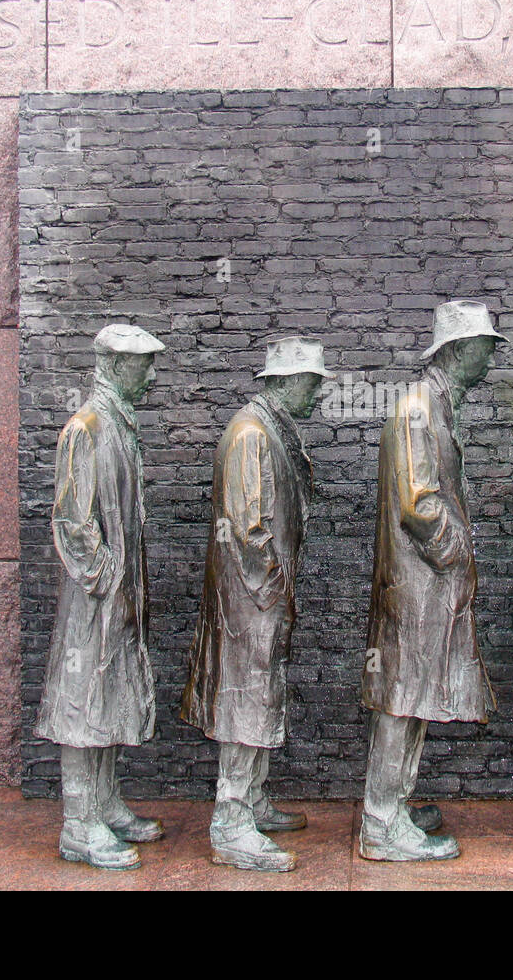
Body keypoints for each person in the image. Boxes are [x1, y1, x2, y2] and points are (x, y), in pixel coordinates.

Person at [360, 299, 507, 862]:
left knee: (415, 695)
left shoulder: (438, 405)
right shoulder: (418, 408)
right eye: (484, 348)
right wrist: (458, 559)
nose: (490, 359)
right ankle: (380, 820)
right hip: (420, 584)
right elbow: (420, 505)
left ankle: (395, 801)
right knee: (402, 697)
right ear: (455, 350)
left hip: (428, 583)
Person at [181, 337, 333, 872]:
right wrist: (273, 589)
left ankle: (254, 798)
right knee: (246, 700)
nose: (317, 393)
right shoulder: (251, 433)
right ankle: (231, 823)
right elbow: (249, 529)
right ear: (286, 381)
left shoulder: (271, 428)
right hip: (252, 600)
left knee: (259, 696)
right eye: (312, 383)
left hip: (261, 597)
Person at [36, 324, 166, 870]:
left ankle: (106, 805)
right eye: (145, 365)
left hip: (116, 594)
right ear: (114, 365)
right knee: (82, 700)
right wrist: (108, 578)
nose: (153, 376)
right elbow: (73, 522)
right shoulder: (87, 427)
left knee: (108, 693)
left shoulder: (118, 423)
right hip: (94, 600)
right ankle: (78, 823)